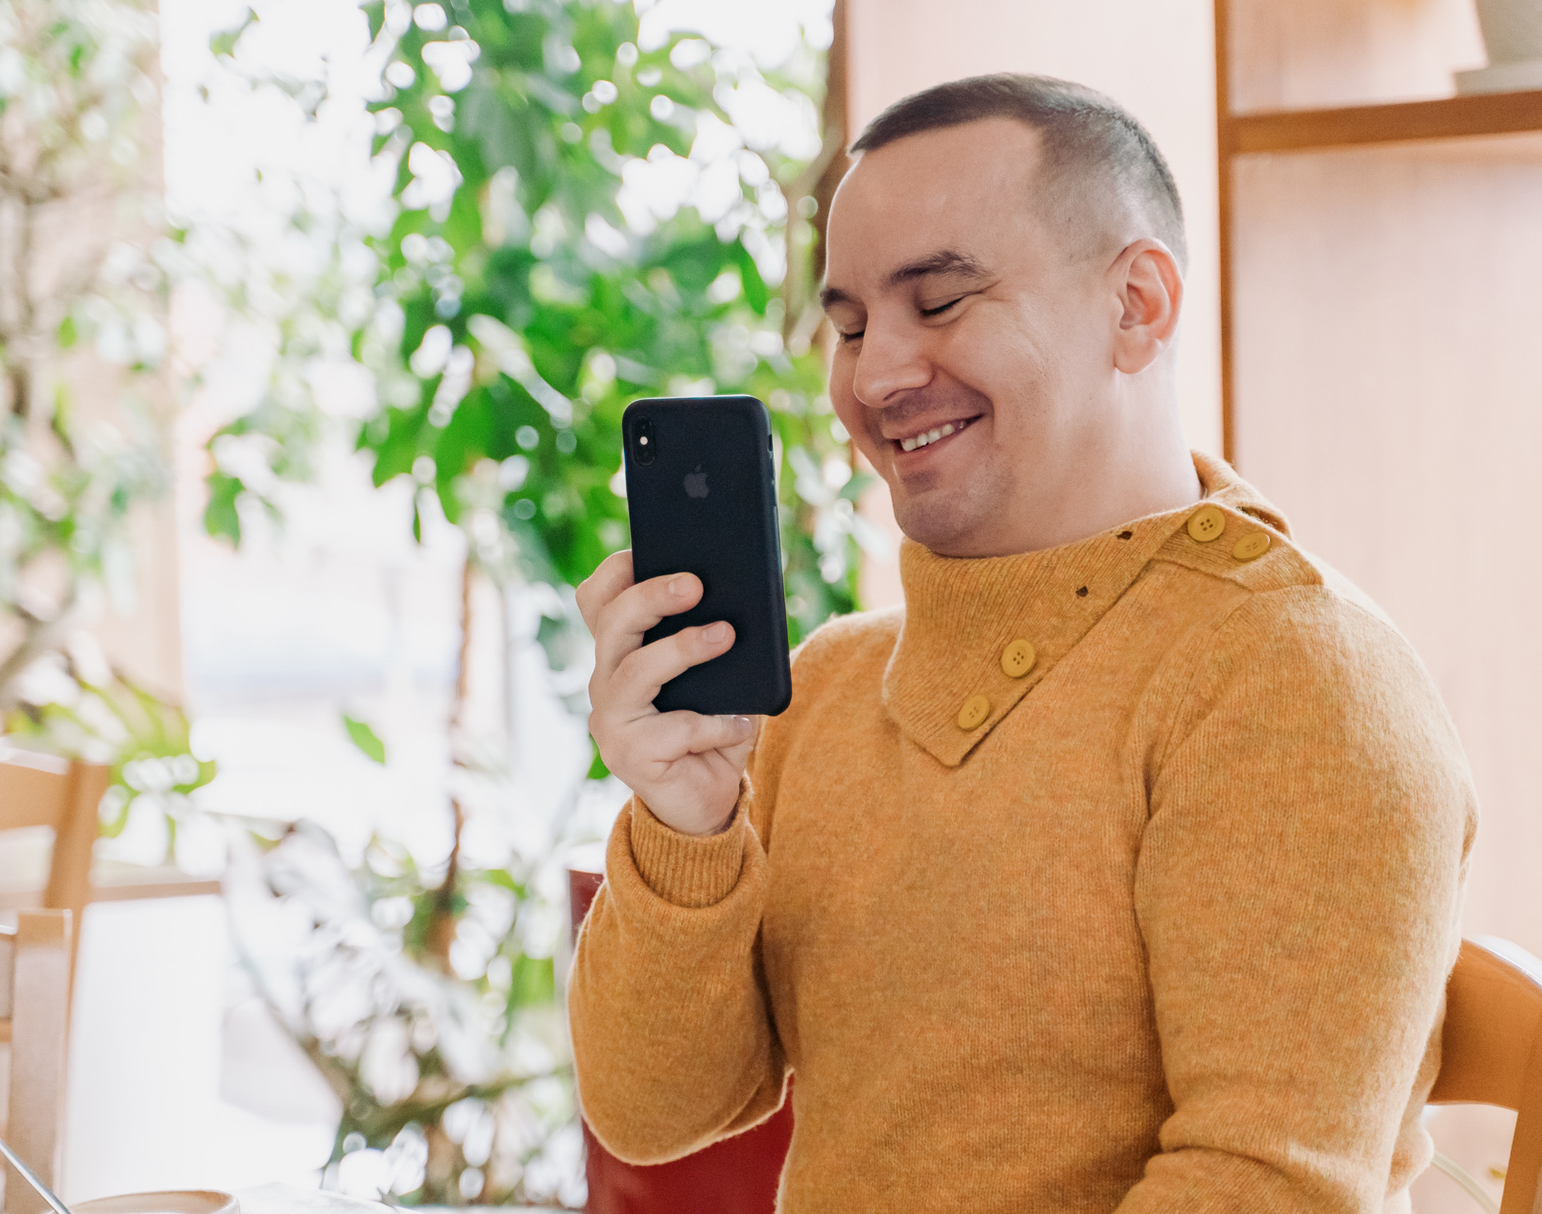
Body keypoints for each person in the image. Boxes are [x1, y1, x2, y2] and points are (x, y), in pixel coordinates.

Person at [568, 73, 1478, 1214]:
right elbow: (653, 1113)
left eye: (941, 301)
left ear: (1137, 305)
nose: (876, 375)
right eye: (849, 325)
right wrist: (685, 824)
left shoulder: (1293, 683)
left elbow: (1267, 1189)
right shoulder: (829, 686)